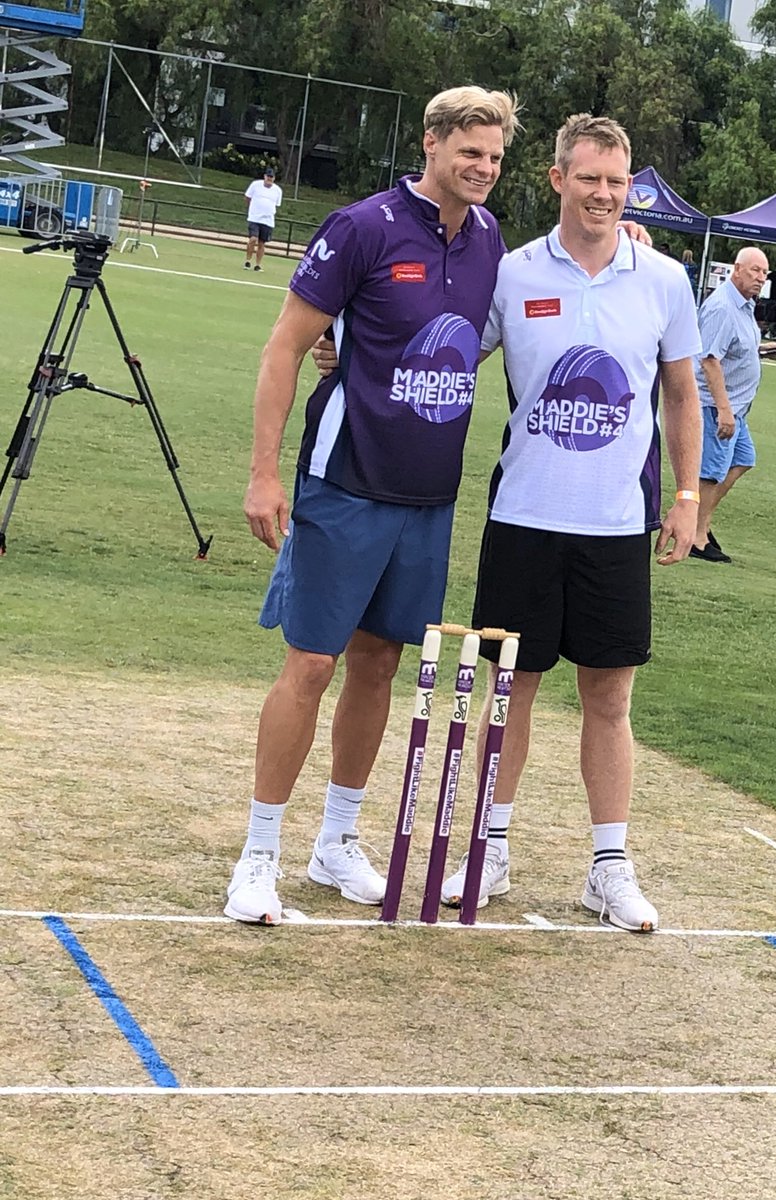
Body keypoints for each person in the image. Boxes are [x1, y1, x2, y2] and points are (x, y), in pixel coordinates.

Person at [224, 87, 521, 925]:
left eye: (495, 157)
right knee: (311, 663)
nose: (484, 169)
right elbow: (287, 347)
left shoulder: (493, 239)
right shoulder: (362, 227)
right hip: (343, 482)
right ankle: (258, 856)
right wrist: (263, 473)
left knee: (381, 665)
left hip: (429, 500)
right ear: (431, 143)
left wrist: (625, 235)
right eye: (471, 152)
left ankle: (335, 844)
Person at [436, 113, 702, 932]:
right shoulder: (512, 274)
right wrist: (346, 346)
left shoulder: (663, 280)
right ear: (557, 179)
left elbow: (683, 395)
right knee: (509, 692)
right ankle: (492, 850)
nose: (603, 194)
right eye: (589, 178)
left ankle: (609, 868)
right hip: (523, 517)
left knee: (610, 698)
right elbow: (445, 351)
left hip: (618, 525)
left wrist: (686, 499)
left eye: (617, 182)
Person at [689, 246, 776, 564]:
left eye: (764, 273)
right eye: (754, 270)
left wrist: (761, 352)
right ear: (736, 269)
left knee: (743, 460)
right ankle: (695, 537)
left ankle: (702, 523)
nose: (759, 278)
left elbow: (733, 349)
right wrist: (724, 409)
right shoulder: (723, 307)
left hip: (737, 407)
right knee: (712, 472)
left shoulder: (744, 307)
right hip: (717, 406)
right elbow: (710, 360)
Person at [244, 167, 283, 272]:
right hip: (255, 218)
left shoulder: (278, 190)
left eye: (271, 177)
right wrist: (251, 210)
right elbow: (247, 197)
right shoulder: (255, 185)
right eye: (268, 176)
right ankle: (248, 260)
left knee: (262, 243)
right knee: (253, 239)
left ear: (274, 178)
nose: (269, 178)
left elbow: (277, 204)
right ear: (264, 176)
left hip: (268, 220)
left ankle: (258, 264)